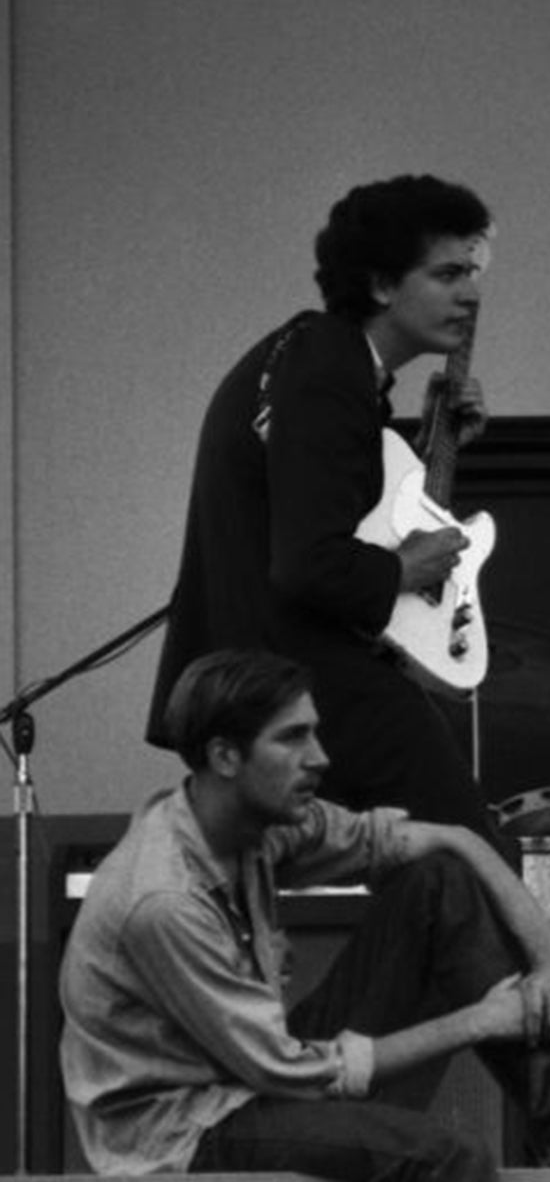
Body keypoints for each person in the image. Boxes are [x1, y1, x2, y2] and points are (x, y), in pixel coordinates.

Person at [62, 649, 550, 1181]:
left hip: (252, 1071)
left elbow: (454, 841)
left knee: (436, 882)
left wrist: (549, 954)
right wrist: (478, 1020)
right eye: (293, 738)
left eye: (313, 731)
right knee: (453, 1158)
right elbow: (295, 1071)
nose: (322, 758)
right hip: (184, 1131)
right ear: (225, 757)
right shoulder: (163, 900)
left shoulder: (258, 825)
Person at [146, 176, 506, 855]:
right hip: (289, 673)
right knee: (469, 859)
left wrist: (433, 446)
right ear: (379, 283)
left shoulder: (315, 360)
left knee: (421, 874)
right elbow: (311, 565)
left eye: (474, 272)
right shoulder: (327, 367)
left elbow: (328, 511)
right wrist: (406, 566)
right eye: (448, 273)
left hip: (249, 675)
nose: (471, 293)